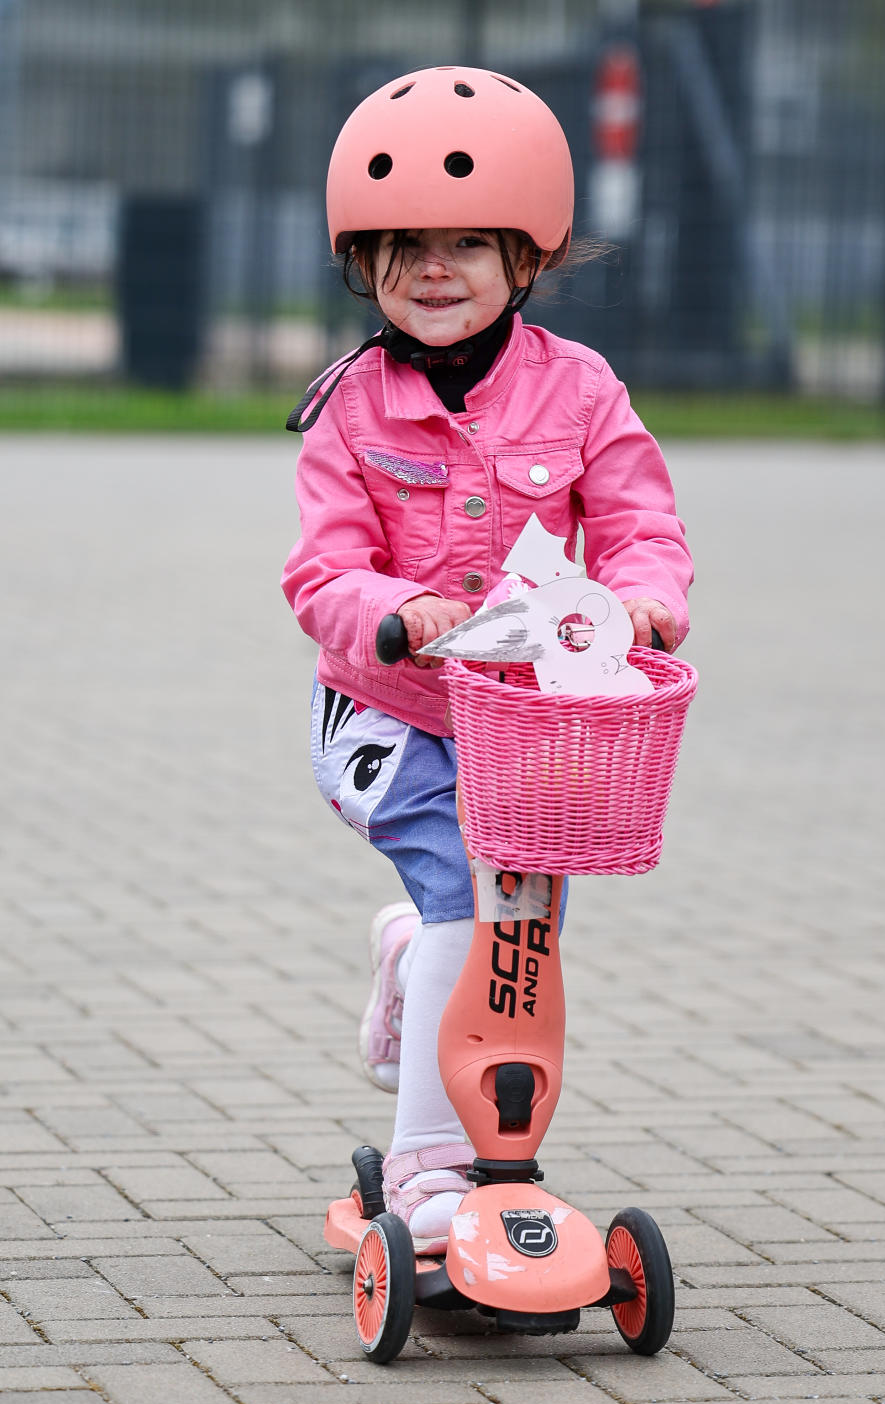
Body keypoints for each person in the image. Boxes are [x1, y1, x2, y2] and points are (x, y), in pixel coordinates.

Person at [281, 66, 693, 1256]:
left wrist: (648, 601)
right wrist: (396, 614)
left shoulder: (580, 389)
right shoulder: (353, 408)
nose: (433, 268)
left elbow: (638, 524)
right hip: (386, 714)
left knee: (526, 923)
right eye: (401, 246)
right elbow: (321, 574)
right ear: (363, 265)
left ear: (529, 257)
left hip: (526, 718)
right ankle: (424, 1168)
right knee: (475, 887)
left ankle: (415, 961)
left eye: (467, 241)